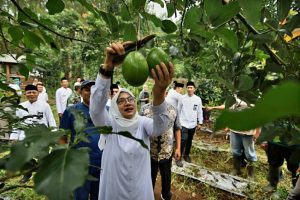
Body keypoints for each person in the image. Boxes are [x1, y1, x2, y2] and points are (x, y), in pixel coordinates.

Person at [90, 42, 174, 200]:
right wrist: (108, 67)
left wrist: (159, 93)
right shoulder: (110, 126)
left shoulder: (143, 123)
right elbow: (95, 110)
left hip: (139, 191)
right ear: (114, 107)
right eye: (121, 101)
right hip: (114, 190)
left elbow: (161, 127)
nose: (127, 102)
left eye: (130, 99)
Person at [60, 80, 102, 200]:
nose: (91, 92)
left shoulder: (106, 110)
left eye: (94, 90)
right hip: (79, 165)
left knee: (98, 195)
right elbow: (62, 136)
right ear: (80, 92)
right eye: (87, 90)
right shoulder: (71, 111)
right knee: (80, 196)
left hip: (101, 163)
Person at [140, 91, 181, 200]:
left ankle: (166, 194)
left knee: (166, 176)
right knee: (149, 177)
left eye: (161, 93)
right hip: (149, 152)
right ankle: (148, 195)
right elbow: (139, 129)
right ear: (153, 93)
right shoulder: (145, 109)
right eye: (156, 93)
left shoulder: (173, 109)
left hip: (166, 151)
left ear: (166, 93)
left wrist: (178, 148)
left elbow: (177, 128)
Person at [11, 84, 56, 182]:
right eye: (29, 92)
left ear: (38, 93)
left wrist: (54, 134)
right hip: (25, 137)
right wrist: (14, 137)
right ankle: (27, 174)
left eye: (33, 92)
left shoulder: (45, 105)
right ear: (25, 94)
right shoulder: (21, 107)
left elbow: (51, 120)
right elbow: (17, 123)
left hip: (41, 136)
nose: (31, 94)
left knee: (43, 157)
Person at [260, 120, 300, 193]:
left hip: (296, 143)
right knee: (274, 162)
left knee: (295, 167)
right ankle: (272, 184)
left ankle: (296, 187)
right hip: (275, 141)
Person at [228, 97, 260, 180]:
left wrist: (258, 132)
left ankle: (250, 174)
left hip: (248, 132)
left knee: (250, 153)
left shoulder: (255, 97)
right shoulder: (236, 96)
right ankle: (236, 169)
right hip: (235, 129)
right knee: (235, 150)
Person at [177, 81, 203, 164]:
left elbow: (199, 111)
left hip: (193, 124)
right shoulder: (182, 98)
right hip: (183, 122)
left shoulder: (198, 99)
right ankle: (178, 157)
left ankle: (186, 155)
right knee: (183, 140)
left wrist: (200, 122)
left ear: (194, 89)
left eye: (191, 87)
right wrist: (178, 121)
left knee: (189, 140)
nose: (189, 89)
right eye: (188, 87)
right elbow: (178, 109)